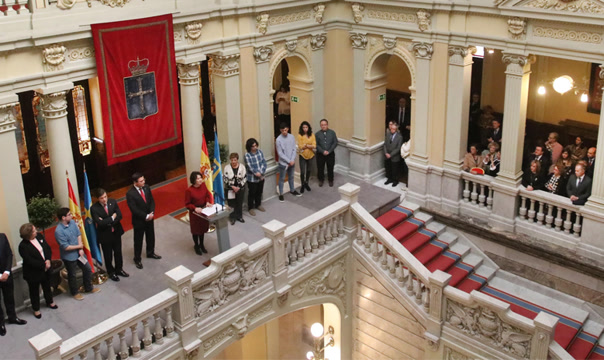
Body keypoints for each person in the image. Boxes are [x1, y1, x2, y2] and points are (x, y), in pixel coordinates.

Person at [54, 208, 100, 300]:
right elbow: (66, 247)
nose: (71, 215)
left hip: (79, 253)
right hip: (69, 257)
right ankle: (74, 292)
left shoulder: (72, 223)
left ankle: (89, 287)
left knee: (87, 268)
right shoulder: (58, 231)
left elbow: (78, 234)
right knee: (72, 274)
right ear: (63, 217)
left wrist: (80, 247)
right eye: (69, 214)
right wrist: (79, 247)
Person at [18, 223, 57, 319]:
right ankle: (36, 309)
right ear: (29, 234)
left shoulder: (39, 236)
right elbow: (29, 260)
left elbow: (47, 248)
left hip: (46, 268)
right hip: (33, 272)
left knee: (47, 286)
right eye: (34, 230)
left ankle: (50, 301)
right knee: (34, 291)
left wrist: (48, 259)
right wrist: (43, 265)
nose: (36, 231)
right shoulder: (23, 246)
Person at [91, 189, 128, 282]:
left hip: (116, 232)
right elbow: (100, 223)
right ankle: (111, 272)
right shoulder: (94, 208)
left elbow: (119, 215)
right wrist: (112, 218)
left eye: (105, 197)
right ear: (97, 199)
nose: (104, 199)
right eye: (101, 198)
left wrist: (106, 221)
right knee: (108, 255)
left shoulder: (112, 202)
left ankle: (119, 269)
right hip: (105, 236)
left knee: (118, 252)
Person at [126, 172, 161, 270]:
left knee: (150, 236)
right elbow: (134, 209)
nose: (144, 182)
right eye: (141, 181)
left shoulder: (147, 187)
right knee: (138, 240)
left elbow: (151, 201)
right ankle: (137, 258)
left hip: (150, 217)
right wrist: (146, 216)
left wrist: (152, 213)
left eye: (144, 180)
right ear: (135, 183)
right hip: (139, 220)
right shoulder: (130, 194)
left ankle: (150, 252)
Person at [0, 233, 26, 336]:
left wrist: (7, 271)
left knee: (9, 297)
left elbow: (9, 255)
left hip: (7, 275)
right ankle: (1, 323)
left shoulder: (2, 237)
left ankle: (12, 317)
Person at [185, 171, 213, 255]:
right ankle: (196, 245)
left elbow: (207, 195)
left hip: (203, 211)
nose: (200, 180)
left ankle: (202, 244)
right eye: (198, 178)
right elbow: (187, 204)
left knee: (202, 229)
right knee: (196, 231)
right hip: (195, 213)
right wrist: (195, 208)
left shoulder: (203, 185)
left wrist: (207, 202)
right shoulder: (189, 190)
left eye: (201, 178)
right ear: (194, 180)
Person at [276, 123, 302, 201]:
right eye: (283, 130)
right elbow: (280, 153)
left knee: (291, 176)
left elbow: (294, 149)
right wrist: (288, 161)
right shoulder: (278, 139)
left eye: (286, 130)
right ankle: (281, 193)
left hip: (292, 161)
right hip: (283, 163)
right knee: (282, 178)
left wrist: (292, 160)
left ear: (288, 129)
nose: (285, 131)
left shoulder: (292, 137)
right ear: (280, 130)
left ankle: (292, 190)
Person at [244, 138, 267, 216]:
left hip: (261, 177)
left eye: (256, 145)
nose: (255, 147)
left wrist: (261, 172)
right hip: (252, 178)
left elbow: (264, 162)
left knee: (259, 192)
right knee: (252, 193)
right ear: (249, 147)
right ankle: (250, 208)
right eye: (253, 146)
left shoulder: (260, 152)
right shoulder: (247, 155)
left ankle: (258, 204)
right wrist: (256, 173)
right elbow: (249, 166)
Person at [224, 153, 247, 225]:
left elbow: (245, 178)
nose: (233, 162)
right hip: (230, 189)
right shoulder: (226, 167)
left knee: (239, 203)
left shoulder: (242, 167)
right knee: (231, 204)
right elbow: (225, 178)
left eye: (235, 160)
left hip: (240, 189)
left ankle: (239, 216)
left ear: (237, 159)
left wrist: (239, 187)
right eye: (232, 160)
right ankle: (232, 218)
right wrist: (232, 187)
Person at [315, 119, 338, 187]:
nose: (323, 126)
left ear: (327, 125)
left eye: (325, 125)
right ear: (320, 126)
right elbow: (316, 144)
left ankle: (330, 180)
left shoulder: (332, 133)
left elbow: (335, 142)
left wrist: (329, 151)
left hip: (330, 154)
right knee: (320, 168)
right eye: (322, 125)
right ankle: (321, 180)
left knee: (330, 167)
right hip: (320, 154)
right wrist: (322, 151)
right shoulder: (317, 134)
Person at [296, 121, 316, 194]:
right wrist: (309, 145)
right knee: (302, 171)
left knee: (308, 170)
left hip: (311, 155)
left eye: (306, 127)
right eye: (303, 127)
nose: (305, 129)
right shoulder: (300, 135)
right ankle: (302, 185)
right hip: (302, 155)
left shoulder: (312, 135)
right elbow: (300, 146)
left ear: (308, 128)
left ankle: (306, 183)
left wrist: (307, 145)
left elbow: (314, 145)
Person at [384, 121, 403, 186]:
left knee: (395, 169)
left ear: (396, 129)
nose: (392, 130)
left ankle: (395, 181)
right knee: (388, 168)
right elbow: (385, 144)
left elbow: (398, 148)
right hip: (387, 155)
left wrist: (391, 155)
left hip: (394, 157)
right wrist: (386, 152)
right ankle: (389, 179)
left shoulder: (399, 137)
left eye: (394, 129)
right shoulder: (388, 134)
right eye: (391, 129)